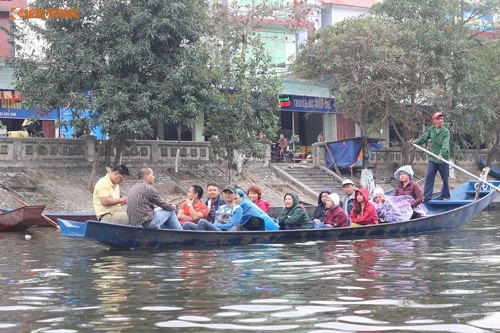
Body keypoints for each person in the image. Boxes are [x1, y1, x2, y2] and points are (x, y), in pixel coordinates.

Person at [409, 112, 451, 201]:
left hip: (442, 158)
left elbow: (445, 144)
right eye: (439, 119)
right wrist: (415, 141)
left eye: (442, 119)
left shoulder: (446, 132)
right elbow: (423, 138)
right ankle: (427, 196)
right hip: (433, 158)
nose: (441, 121)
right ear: (434, 120)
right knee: (429, 176)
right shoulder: (431, 129)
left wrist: (441, 154)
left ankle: (445, 195)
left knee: (445, 179)